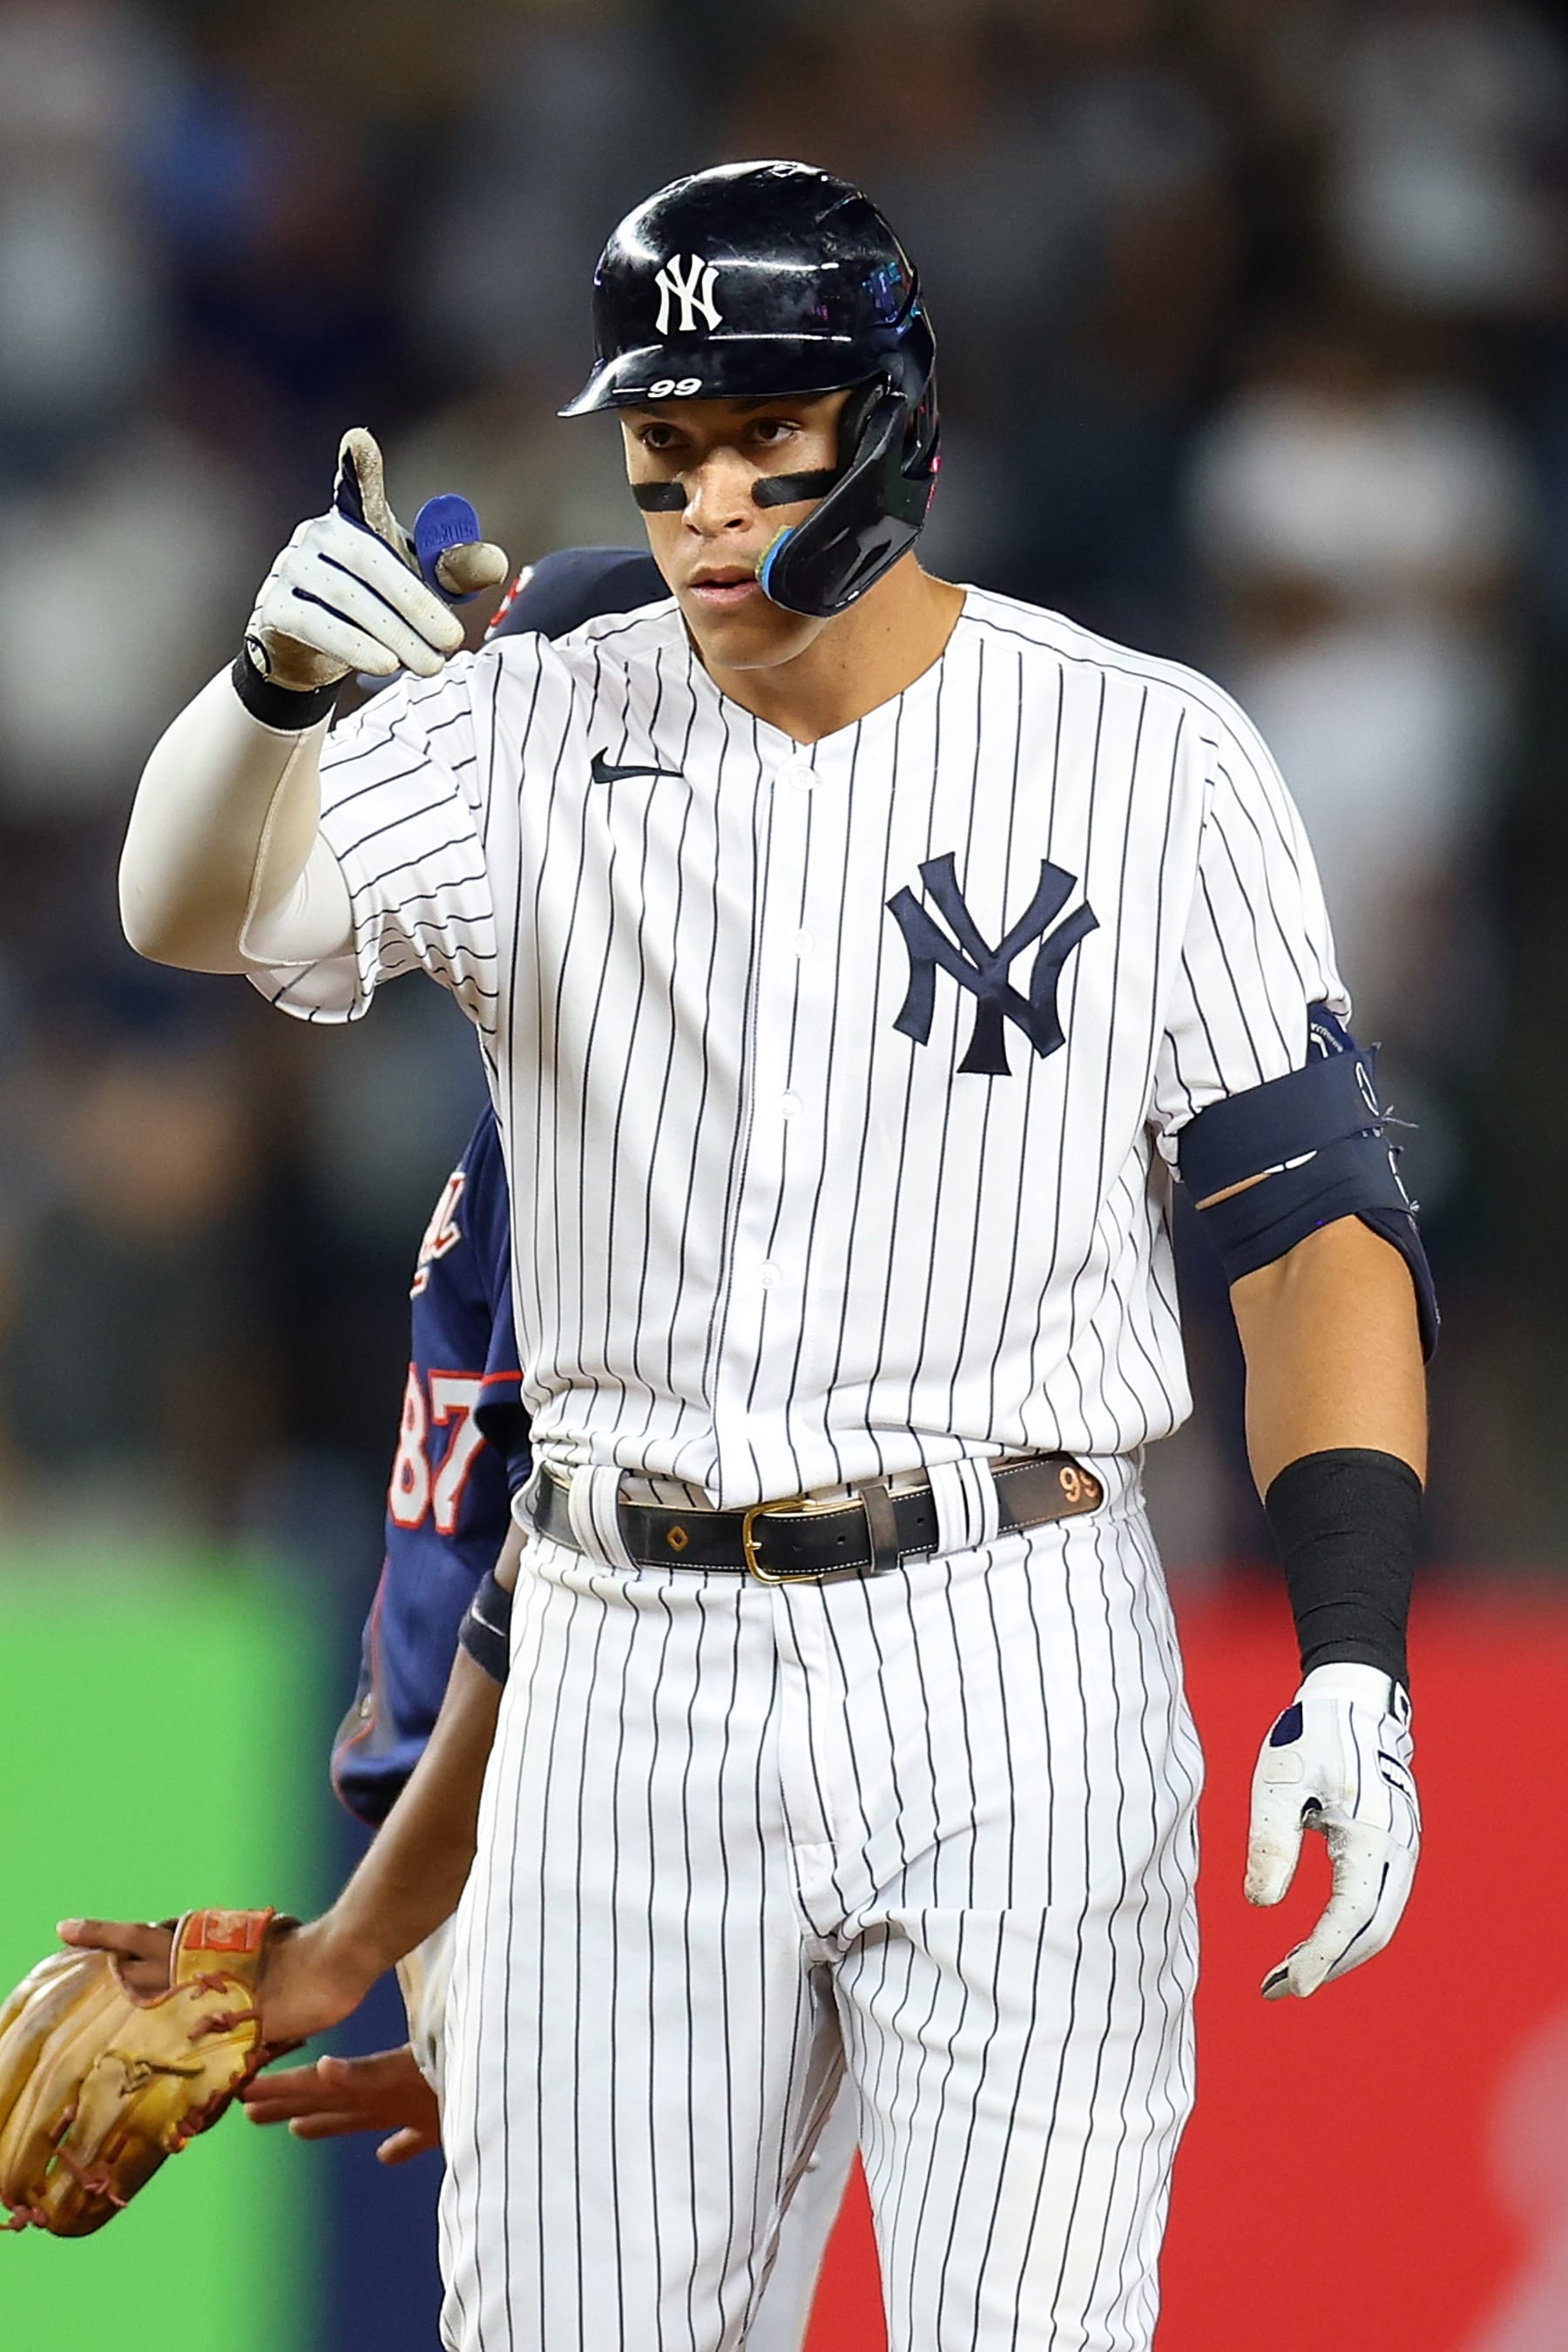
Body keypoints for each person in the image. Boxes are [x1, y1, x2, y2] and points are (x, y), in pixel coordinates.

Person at [92, 160, 1430, 2349]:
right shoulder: (534, 718)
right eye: (664, 457)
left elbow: (1310, 1236)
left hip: (1007, 1646)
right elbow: (183, 910)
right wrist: (259, 686)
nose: (709, 507)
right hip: (616, 1662)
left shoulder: (1143, 752)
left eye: (762, 449)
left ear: (894, 432)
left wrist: (1356, 1656)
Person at [239, 544, 859, 2349]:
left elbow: (561, 1577)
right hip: (524, 1876)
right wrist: (459, 1977)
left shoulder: (657, 1169)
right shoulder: (547, 1134)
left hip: (592, 1854)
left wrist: (419, 1944)